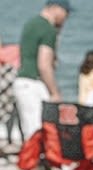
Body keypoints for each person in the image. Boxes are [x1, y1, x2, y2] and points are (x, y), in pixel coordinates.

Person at [13, 1, 71, 143]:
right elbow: (44, 64)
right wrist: (54, 92)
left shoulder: (31, 24)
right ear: (57, 8)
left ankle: (33, 160)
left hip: (22, 81)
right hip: (34, 82)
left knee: (29, 128)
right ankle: (37, 162)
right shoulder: (47, 29)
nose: (66, 18)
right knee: (39, 129)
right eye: (66, 13)